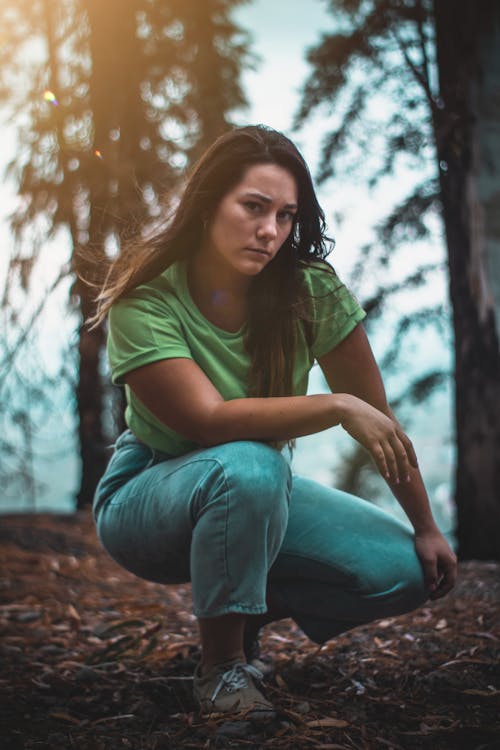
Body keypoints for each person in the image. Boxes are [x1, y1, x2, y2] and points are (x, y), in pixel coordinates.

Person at [89, 124, 457, 718]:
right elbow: (208, 422)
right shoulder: (148, 296)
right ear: (210, 203)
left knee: (404, 573)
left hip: (257, 492)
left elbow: (379, 420)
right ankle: (221, 672)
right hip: (146, 498)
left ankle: (237, 620)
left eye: (286, 215)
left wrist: (426, 525)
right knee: (251, 464)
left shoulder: (310, 291)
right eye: (254, 208)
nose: (270, 231)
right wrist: (336, 406)